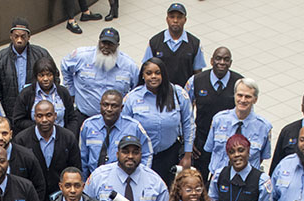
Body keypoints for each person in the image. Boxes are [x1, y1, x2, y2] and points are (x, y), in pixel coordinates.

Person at [123, 57, 194, 186]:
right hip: (141, 156)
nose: (153, 77)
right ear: (143, 76)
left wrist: (187, 155)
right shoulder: (132, 98)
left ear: (164, 74)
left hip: (170, 154)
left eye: (157, 73)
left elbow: (188, 124)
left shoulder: (177, 93)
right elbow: (123, 128)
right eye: (148, 73)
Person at [61, 28, 137, 131]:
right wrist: (71, 92)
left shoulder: (129, 66)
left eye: (110, 44)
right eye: (103, 43)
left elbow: (135, 90)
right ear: (98, 42)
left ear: (117, 46)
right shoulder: (81, 56)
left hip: (115, 121)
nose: (106, 47)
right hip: (83, 116)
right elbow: (65, 66)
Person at [185, 47, 242, 179]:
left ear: (231, 63)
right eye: (218, 58)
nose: (222, 62)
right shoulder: (196, 81)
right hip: (201, 144)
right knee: (199, 180)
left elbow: (245, 113)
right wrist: (189, 141)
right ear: (211, 61)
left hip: (229, 144)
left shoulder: (239, 83)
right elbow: (185, 112)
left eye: (226, 59)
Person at [16, 101, 81, 201]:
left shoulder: (68, 138)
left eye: (48, 115)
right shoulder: (22, 140)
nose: (44, 120)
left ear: (55, 116)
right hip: (32, 198)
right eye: (40, 116)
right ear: (34, 117)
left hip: (62, 199)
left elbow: (76, 168)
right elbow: (19, 174)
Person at [204, 78, 272, 175]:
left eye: (248, 97)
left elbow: (262, 157)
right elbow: (210, 149)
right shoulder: (219, 119)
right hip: (219, 178)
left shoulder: (264, 127)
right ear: (234, 95)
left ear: (255, 100)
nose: (243, 100)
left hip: (247, 181)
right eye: (239, 95)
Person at [0, 18, 51, 119]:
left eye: (23, 36)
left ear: (29, 37)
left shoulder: (41, 54)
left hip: (37, 113)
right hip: (10, 113)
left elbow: (53, 79)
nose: (19, 40)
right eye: (16, 36)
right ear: (11, 36)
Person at [79, 90, 154, 176]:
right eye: (105, 105)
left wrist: (140, 176)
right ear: (100, 106)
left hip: (124, 179)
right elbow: (82, 158)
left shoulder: (134, 127)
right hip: (95, 178)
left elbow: (147, 154)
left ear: (121, 108)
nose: (109, 109)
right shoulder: (88, 125)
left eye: (114, 106)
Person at [142, 3, 204, 87]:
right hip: (160, 91)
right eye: (172, 17)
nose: (175, 20)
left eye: (179, 17)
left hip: (185, 93)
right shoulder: (154, 42)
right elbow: (146, 68)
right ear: (167, 19)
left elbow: (198, 72)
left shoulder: (194, 43)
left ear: (185, 20)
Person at [12, 58, 78, 134]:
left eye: (49, 75)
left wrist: (68, 136)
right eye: (41, 75)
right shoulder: (26, 94)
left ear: (54, 75)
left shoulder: (63, 92)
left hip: (61, 138)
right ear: (36, 76)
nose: (45, 79)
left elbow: (72, 118)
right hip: (35, 138)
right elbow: (18, 120)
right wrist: (41, 125)